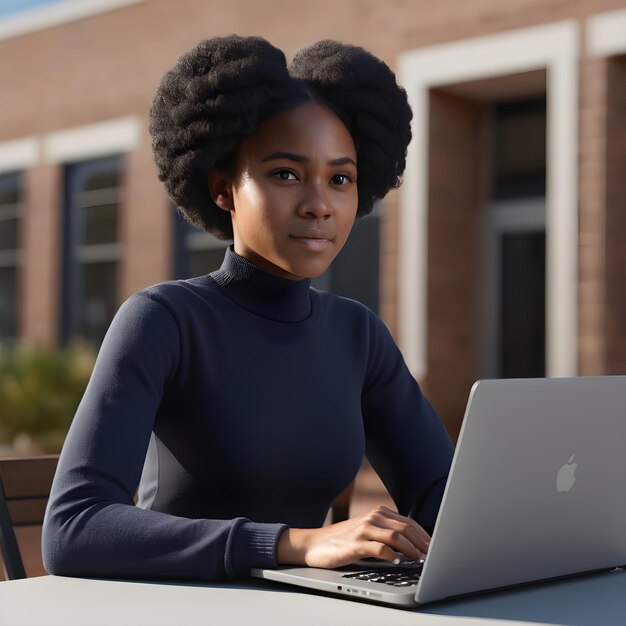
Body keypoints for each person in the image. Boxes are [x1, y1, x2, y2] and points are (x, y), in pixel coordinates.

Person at [42, 35, 454, 582]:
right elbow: (73, 529)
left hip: (317, 611)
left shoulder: (358, 334)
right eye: (285, 174)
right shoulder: (164, 319)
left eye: (341, 179)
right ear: (223, 189)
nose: (319, 205)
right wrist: (291, 544)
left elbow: (442, 497)